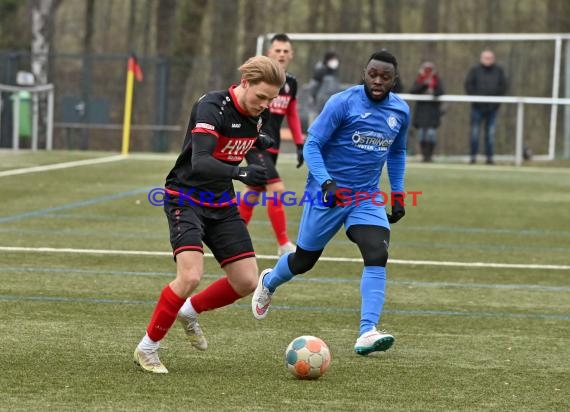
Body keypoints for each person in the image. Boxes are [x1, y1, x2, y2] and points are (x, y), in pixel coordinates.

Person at [251, 50, 410, 356]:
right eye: (373, 74)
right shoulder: (342, 103)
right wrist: (327, 182)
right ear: (364, 73)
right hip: (326, 193)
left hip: (365, 196)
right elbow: (312, 145)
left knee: (377, 252)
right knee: (303, 261)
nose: (377, 81)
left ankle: (367, 331)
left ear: (394, 80)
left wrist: (399, 193)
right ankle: (269, 281)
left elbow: (398, 152)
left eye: (385, 77)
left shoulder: (400, 112)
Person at [133, 55, 285, 374]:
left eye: (271, 99)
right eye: (261, 97)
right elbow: (201, 160)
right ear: (245, 83)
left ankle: (190, 311)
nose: (265, 105)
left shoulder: (258, 113)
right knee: (189, 275)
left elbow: (241, 138)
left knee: (246, 281)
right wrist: (242, 174)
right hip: (185, 196)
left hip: (221, 203)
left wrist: (258, 142)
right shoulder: (212, 106)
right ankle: (147, 348)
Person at [238, 33, 305, 256]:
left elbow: (292, 113)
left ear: (291, 55)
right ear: (269, 52)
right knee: (276, 188)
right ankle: (284, 244)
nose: (282, 54)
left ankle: (233, 238)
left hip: (273, 146)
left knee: (252, 191)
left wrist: (299, 143)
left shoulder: (291, 83)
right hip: (255, 143)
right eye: (278, 50)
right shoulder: (257, 79)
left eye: (286, 51)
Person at [464, 48, 507, 164]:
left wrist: (496, 103)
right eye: (485, 58)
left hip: (492, 108)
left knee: (490, 134)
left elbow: (503, 87)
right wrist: (476, 100)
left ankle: (489, 158)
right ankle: (473, 157)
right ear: (481, 59)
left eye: (490, 58)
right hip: (477, 108)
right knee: (474, 133)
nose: (488, 60)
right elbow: (468, 85)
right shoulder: (475, 70)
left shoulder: (499, 71)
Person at [409, 61, 445, 162]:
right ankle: (424, 156)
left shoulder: (437, 81)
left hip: (433, 112)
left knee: (431, 134)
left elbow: (440, 92)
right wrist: (424, 84)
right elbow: (413, 91)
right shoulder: (419, 80)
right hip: (421, 112)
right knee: (421, 134)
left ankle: (429, 156)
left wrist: (433, 87)